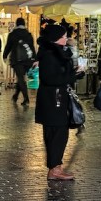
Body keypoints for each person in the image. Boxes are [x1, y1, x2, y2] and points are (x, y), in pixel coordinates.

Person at [34, 22, 81, 181]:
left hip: (56, 99)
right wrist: (74, 76)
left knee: (58, 134)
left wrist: (74, 72)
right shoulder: (50, 54)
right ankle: (54, 169)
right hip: (53, 101)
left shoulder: (57, 52)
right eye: (63, 36)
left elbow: (59, 75)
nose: (66, 38)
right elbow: (52, 78)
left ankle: (56, 167)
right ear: (56, 39)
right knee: (56, 135)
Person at [2, 17, 36, 106]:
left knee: (20, 78)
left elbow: (8, 46)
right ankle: (16, 95)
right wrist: (34, 58)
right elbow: (32, 47)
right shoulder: (28, 34)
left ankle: (26, 98)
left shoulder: (13, 34)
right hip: (28, 60)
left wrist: (5, 56)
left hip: (17, 59)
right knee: (21, 78)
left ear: (17, 24)